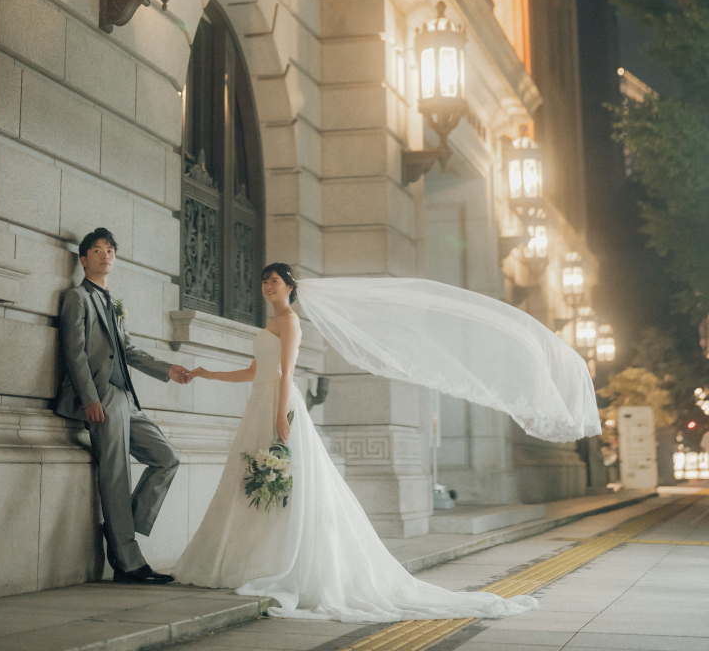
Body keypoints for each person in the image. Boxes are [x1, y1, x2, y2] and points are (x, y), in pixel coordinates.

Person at [173, 263, 539, 622]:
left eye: (275, 280)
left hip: (277, 406)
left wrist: (280, 416)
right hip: (261, 403)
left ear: (289, 287)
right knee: (254, 483)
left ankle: (282, 562)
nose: (268, 286)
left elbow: (286, 374)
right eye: (264, 280)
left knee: (285, 484)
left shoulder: (290, 322)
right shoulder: (270, 323)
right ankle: (250, 559)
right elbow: (255, 373)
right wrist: (207, 373)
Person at [55, 227, 191, 584]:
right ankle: (129, 563)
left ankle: (119, 533)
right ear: (84, 258)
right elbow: (74, 353)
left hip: (127, 397)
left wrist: (167, 369)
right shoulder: (77, 298)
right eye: (98, 250)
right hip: (102, 397)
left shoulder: (114, 303)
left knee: (166, 458)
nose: (106, 255)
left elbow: (128, 350)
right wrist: (90, 399)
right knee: (116, 475)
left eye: (111, 250)